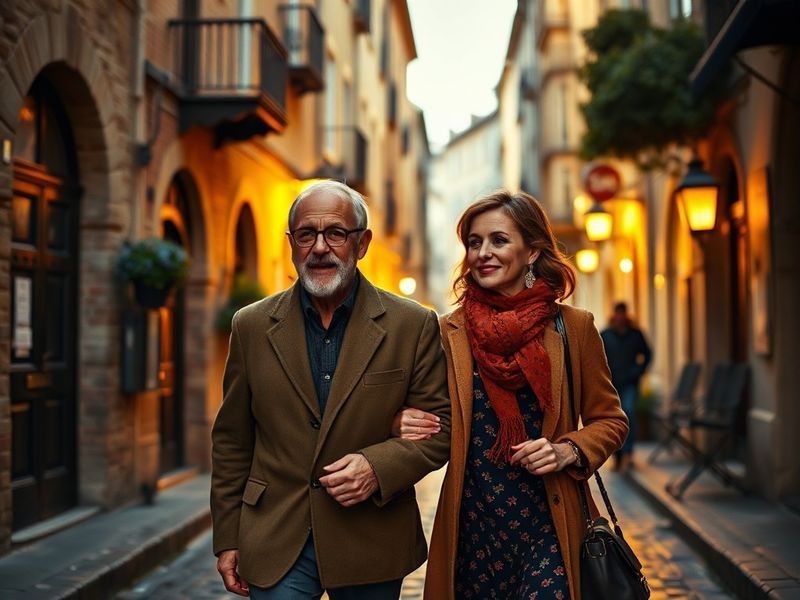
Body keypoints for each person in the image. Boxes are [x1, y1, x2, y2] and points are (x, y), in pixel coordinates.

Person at [211, 180, 451, 600]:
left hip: (372, 537)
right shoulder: (249, 326)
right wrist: (228, 536)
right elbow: (232, 440)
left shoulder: (412, 324)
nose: (320, 247)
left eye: (336, 233)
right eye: (307, 234)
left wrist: (376, 466)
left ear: (362, 243)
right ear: (292, 244)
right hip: (276, 535)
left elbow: (441, 429)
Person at [393, 191, 628, 599]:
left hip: (550, 524)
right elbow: (426, 412)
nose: (482, 253)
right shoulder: (448, 333)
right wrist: (397, 420)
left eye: (498, 240)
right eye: (474, 242)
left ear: (532, 251)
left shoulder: (573, 328)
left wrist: (568, 450)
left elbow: (610, 419)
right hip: (472, 530)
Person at [600, 301, 652, 473]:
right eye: (617, 313)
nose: (620, 317)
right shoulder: (605, 335)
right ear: (614, 315)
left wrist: (637, 372)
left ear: (626, 315)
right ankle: (617, 455)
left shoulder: (636, 335)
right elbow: (596, 357)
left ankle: (628, 453)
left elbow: (647, 355)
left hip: (629, 383)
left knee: (628, 412)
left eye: (623, 313)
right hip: (610, 384)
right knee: (613, 418)